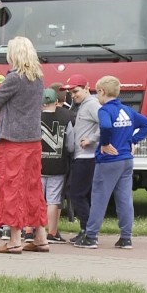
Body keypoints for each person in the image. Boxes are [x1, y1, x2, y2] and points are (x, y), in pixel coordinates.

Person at [75, 76, 147, 249]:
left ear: (102, 91)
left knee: (99, 198)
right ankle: (126, 238)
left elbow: (106, 126)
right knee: (125, 199)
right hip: (126, 160)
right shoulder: (128, 110)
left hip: (109, 160)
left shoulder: (105, 110)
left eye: (97, 93)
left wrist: (104, 144)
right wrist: (133, 140)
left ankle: (91, 236)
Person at [0, 36, 49, 254]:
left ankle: (15, 240)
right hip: (33, 141)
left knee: (12, 187)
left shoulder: (14, 78)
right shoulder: (38, 78)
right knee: (33, 187)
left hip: (13, 142)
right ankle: (40, 237)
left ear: (13, 54)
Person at [60, 74, 101, 244]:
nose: (73, 95)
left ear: (86, 88)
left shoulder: (92, 105)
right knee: (81, 194)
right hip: (82, 156)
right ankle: (86, 230)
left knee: (76, 194)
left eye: (76, 91)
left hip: (87, 157)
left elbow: (106, 123)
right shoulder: (83, 105)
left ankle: (89, 232)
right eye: (70, 92)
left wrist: (92, 139)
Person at [40, 88, 74, 243]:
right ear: (56, 101)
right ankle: (52, 233)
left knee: (36, 198)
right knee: (53, 200)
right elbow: (71, 145)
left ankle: (30, 230)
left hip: (37, 165)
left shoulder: (34, 117)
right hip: (58, 165)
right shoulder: (66, 116)